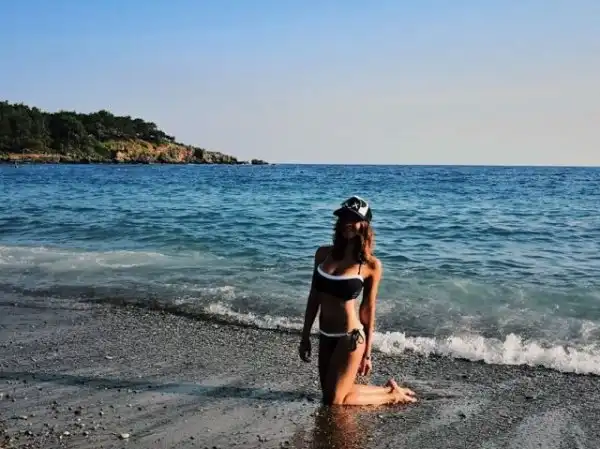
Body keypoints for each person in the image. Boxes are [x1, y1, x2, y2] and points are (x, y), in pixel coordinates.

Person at [298, 196, 417, 406]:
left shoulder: (371, 265)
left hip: (350, 338)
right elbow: (314, 296)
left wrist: (367, 354)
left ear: (365, 225)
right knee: (332, 394)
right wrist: (305, 335)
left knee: (334, 401)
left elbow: (368, 309)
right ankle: (389, 390)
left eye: (353, 219)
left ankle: (392, 396)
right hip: (325, 334)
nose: (347, 223)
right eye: (344, 218)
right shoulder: (323, 254)